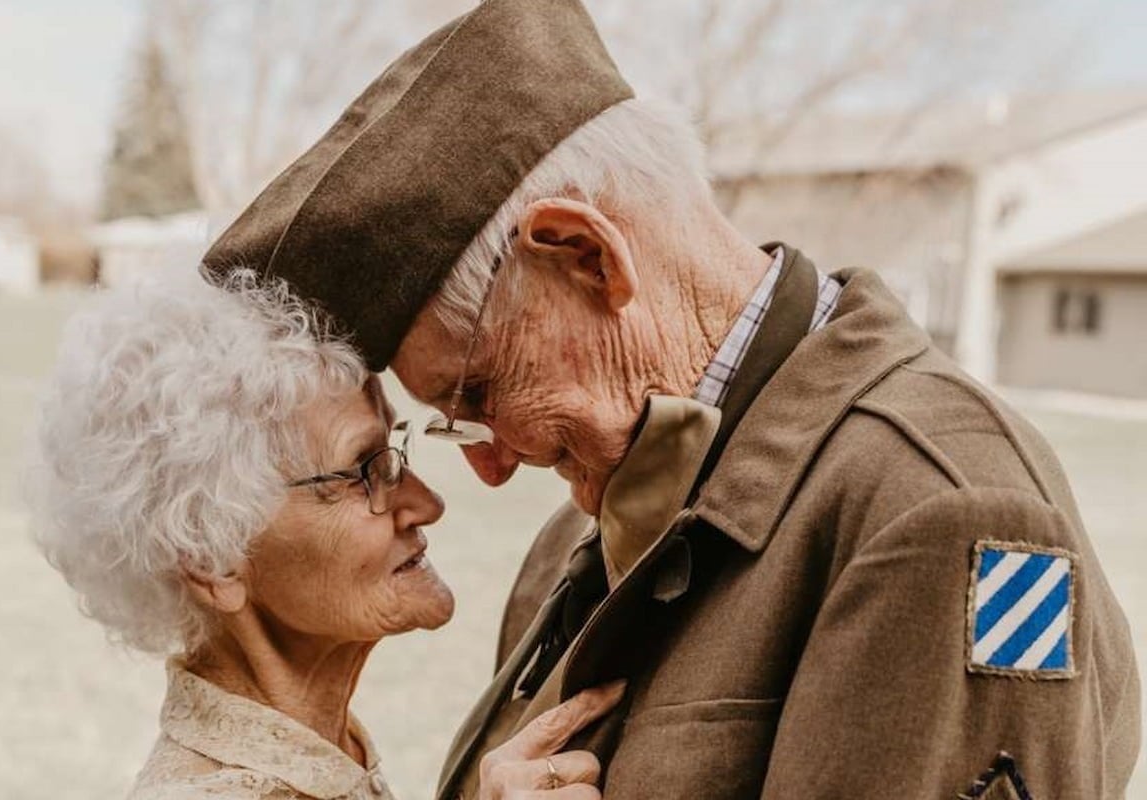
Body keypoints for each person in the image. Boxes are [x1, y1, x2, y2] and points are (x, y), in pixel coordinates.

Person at [204, 0, 1141, 797]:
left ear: (586, 255)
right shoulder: (574, 542)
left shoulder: (939, 511)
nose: (486, 469)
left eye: (478, 392)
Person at [28, 269, 621, 800]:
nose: (427, 503)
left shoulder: (321, 763)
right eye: (364, 470)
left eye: (395, 449)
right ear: (213, 559)